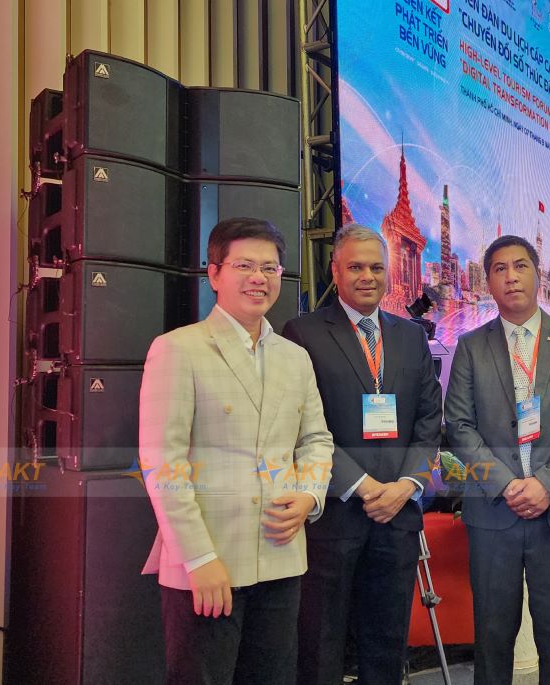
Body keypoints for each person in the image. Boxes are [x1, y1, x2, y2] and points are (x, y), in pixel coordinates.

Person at [139, 217, 334, 685]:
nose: (258, 278)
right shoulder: (178, 349)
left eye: (269, 268)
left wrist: (309, 495)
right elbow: (163, 464)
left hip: (281, 557)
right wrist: (198, 559)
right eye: (244, 265)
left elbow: (316, 440)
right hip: (210, 563)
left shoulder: (295, 357)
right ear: (214, 273)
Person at [283, 225, 443, 685]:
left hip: (398, 514)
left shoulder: (411, 336)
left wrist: (407, 486)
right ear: (335, 271)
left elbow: (429, 419)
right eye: (355, 267)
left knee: (387, 644)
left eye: (376, 267)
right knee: (320, 643)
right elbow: (301, 426)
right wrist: (363, 485)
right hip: (333, 515)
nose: (367, 276)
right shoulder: (303, 333)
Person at [444, 234, 550, 685]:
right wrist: (506, 484)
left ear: (537, 274)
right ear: (488, 282)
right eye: (499, 269)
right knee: (493, 635)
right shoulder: (470, 346)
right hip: (494, 510)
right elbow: (459, 425)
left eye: (520, 266)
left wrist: (546, 483)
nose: (511, 276)